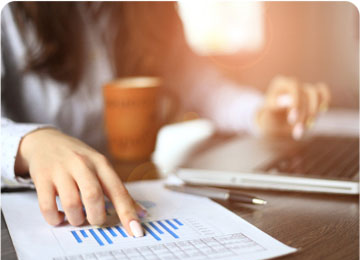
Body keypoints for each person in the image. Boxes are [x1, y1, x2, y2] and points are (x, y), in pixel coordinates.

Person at [1, 2, 330, 237]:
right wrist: (29, 144)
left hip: (140, 181)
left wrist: (262, 112)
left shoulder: (152, 10)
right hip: (31, 207)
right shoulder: (11, 15)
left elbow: (205, 88)